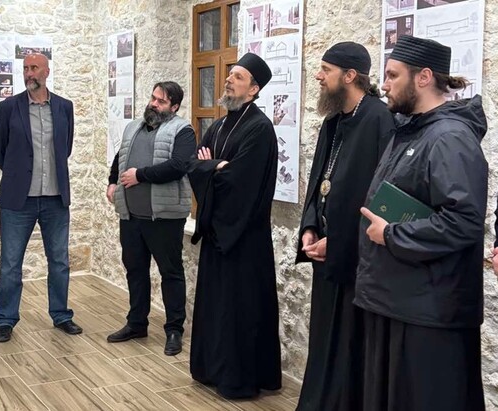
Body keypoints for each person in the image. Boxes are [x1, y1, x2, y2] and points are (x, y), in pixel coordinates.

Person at [358, 35, 487, 411]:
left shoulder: (449, 138)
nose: (384, 84)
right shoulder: (411, 130)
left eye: (393, 75)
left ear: (424, 77)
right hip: (400, 298)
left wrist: (391, 233)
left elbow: (464, 221)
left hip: (429, 310)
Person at [295, 42, 394, 411]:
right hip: (325, 252)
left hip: (355, 259)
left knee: (350, 348)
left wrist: (337, 242)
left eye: (326, 70)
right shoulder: (334, 121)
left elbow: (380, 197)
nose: (318, 76)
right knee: (324, 339)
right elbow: (318, 181)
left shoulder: (379, 120)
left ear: (350, 75)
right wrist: (310, 225)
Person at [188, 52, 281, 399]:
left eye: (237, 77)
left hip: (244, 238)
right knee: (217, 309)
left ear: (254, 89)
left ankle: (239, 379)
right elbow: (193, 165)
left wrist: (212, 167)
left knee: (241, 310)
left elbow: (241, 181)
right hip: (218, 234)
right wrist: (215, 166)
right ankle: (211, 369)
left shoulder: (260, 128)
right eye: (230, 75)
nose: (228, 79)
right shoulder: (218, 125)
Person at [0, 53, 82, 342]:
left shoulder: (64, 107)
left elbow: (65, 147)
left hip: (55, 198)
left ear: (46, 72)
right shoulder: (9, 107)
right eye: (26, 68)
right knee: (10, 263)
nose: (29, 73)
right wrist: (17, 173)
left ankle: (61, 315)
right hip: (19, 200)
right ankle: (6, 320)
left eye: (34, 68)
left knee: (59, 261)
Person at [105, 81, 196, 356]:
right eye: (153, 98)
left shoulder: (183, 130)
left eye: (161, 101)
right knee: (135, 270)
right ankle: (136, 323)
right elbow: (120, 157)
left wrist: (140, 176)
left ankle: (174, 330)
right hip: (131, 215)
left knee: (170, 272)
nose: (154, 104)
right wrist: (112, 181)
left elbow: (179, 166)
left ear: (174, 107)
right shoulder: (133, 126)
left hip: (164, 217)